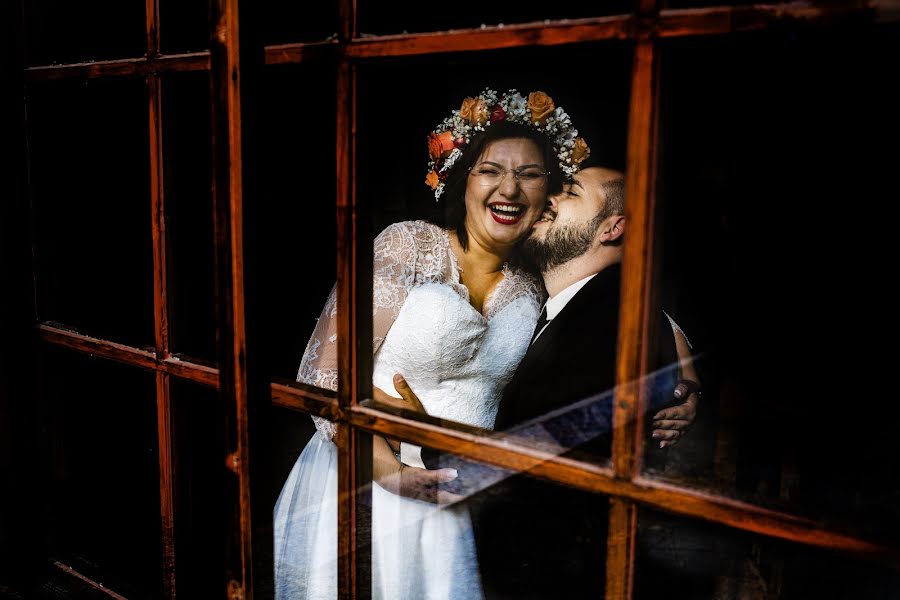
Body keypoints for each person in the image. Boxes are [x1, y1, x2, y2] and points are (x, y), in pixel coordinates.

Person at [273, 88, 593, 600]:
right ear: (462, 180)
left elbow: (611, 289)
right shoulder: (408, 246)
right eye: (491, 170)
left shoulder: (534, 283)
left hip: (453, 502)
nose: (508, 188)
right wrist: (390, 473)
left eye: (530, 174)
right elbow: (323, 374)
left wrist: (682, 368)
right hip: (361, 479)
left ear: (548, 193)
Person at [386, 161, 701, 598]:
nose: (548, 200)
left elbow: (524, 477)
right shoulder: (589, 304)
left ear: (614, 227)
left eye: (570, 193)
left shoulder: (603, 328)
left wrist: (421, 431)